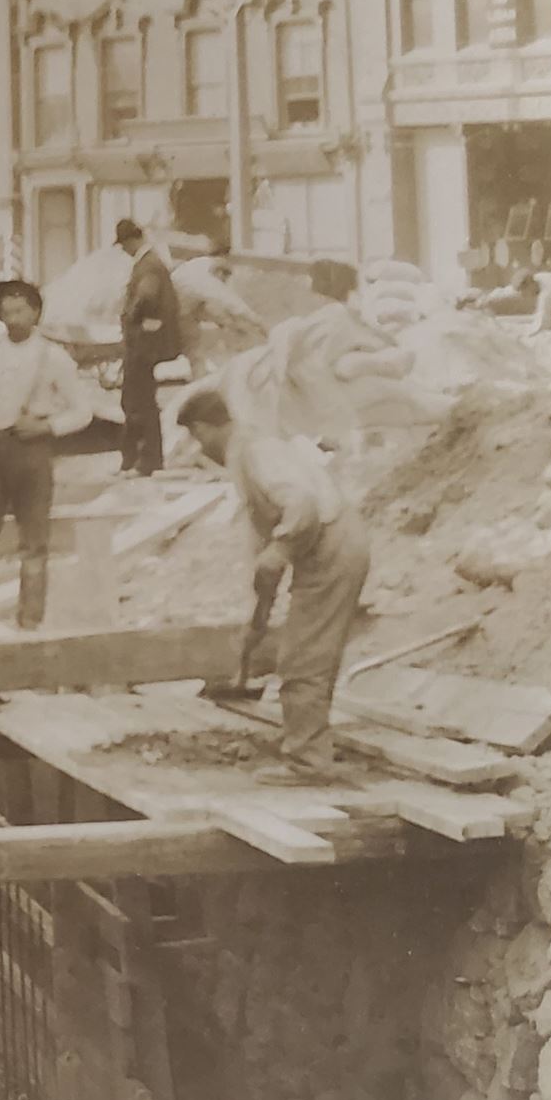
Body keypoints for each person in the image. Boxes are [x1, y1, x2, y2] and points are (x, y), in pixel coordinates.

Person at [179, 388, 370, 768]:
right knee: (306, 654)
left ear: (204, 428)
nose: (200, 449)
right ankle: (309, 747)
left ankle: (308, 762)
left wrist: (281, 549)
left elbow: (301, 504)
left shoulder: (256, 450)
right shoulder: (247, 454)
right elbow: (267, 555)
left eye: (197, 437)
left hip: (330, 545)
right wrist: (259, 618)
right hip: (325, 547)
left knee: (303, 660)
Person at [0, 278, 93, 635]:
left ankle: (29, 623)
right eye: (6, 312)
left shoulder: (54, 358)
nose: (13, 319)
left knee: (33, 545)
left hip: (31, 453)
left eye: (20, 310)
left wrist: (47, 428)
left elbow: (82, 411)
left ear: (36, 312)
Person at [115, 219, 182, 477]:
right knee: (137, 401)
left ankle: (145, 461)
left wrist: (131, 317)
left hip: (142, 345)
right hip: (143, 343)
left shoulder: (148, 265)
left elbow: (147, 296)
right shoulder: (151, 262)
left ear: (132, 240)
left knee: (138, 403)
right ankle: (134, 461)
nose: (123, 250)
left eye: (123, 245)